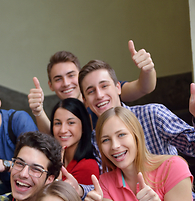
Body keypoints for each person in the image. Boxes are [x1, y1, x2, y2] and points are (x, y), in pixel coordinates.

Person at [78, 59, 195, 198]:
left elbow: (192, 147)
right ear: (85, 101)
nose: (99, 95)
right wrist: (79, 190)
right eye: (91, 91)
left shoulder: (152, 114)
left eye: (104, 86)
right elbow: (106, 186)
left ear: (118, 87)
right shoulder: (95, 138)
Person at [28, 41, 156, 134]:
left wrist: (148, 70)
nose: (66, 83)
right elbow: (54, 139)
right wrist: (38, 111)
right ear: (50, 86)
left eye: (71, 75)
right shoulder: (61, 112)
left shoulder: (103, 92)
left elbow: (143, 87)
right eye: (58, 79)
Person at [50, 98, 99, 184]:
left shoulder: (88, 166)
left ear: (83, 126)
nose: (63, 130)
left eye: (71, 123)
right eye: (58, 123)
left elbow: (58, 196)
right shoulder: (51, 161)